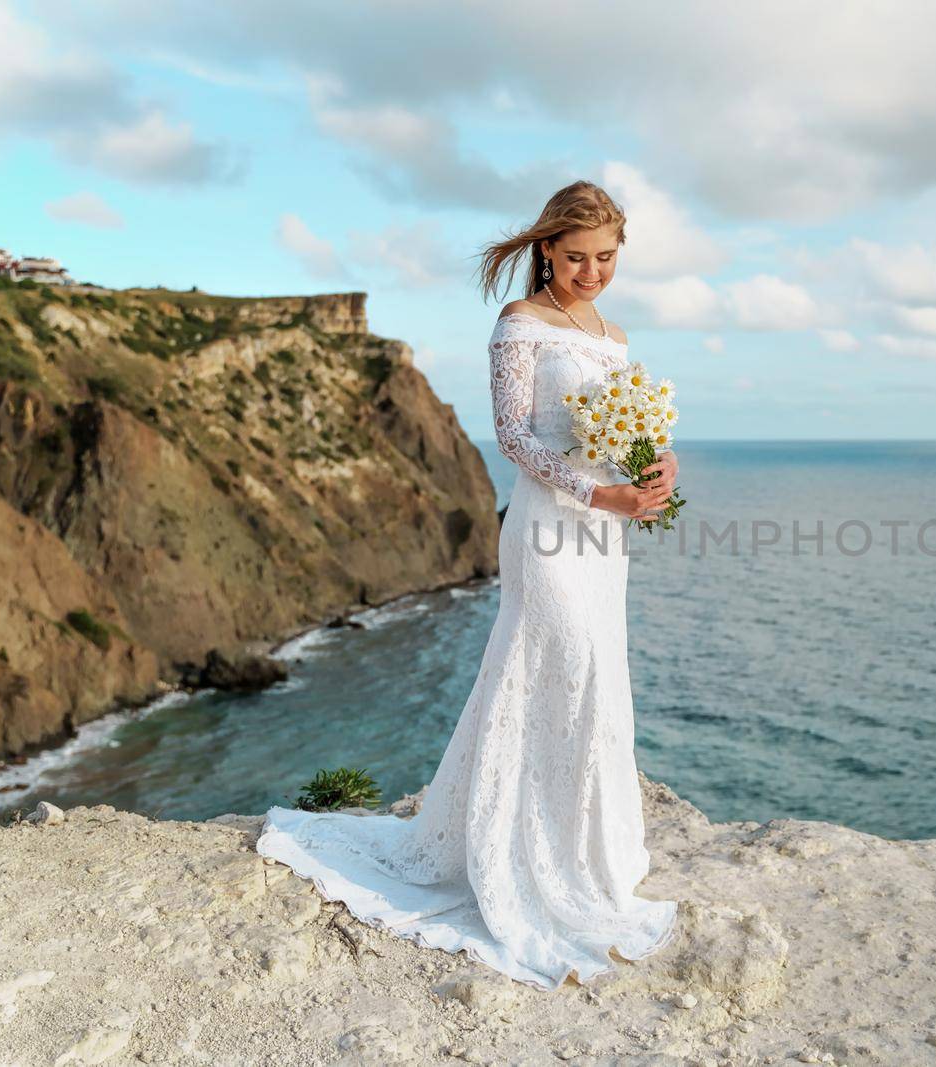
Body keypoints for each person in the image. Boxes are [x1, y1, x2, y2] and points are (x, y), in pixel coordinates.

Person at [255, 180, 680, 991]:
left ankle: (579, 850)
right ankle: (511, 854)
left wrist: (656, 470)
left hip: (604, 533)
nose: (591, 271)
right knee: (547, 663)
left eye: (606, 257)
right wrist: (599, 492)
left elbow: (635, 430)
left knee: (595, 674)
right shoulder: (519, 324)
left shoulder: (615, 336)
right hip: (550, 528)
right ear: (546, 249)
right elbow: (515, 436)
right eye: (576, 256)